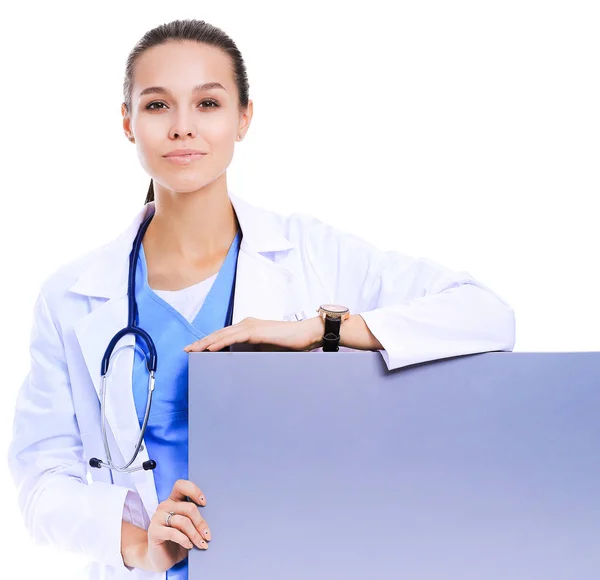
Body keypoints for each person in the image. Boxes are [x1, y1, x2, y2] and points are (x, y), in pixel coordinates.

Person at [7, 18, 516, 580]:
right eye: (156, 106)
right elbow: (40, 478)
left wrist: (321, 330)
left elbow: (487, 315)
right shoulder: (71, 296)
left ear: (243, 117)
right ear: (127, 122)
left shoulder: (312, 254)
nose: (182, 128)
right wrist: (139, 546)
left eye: (208, 104)